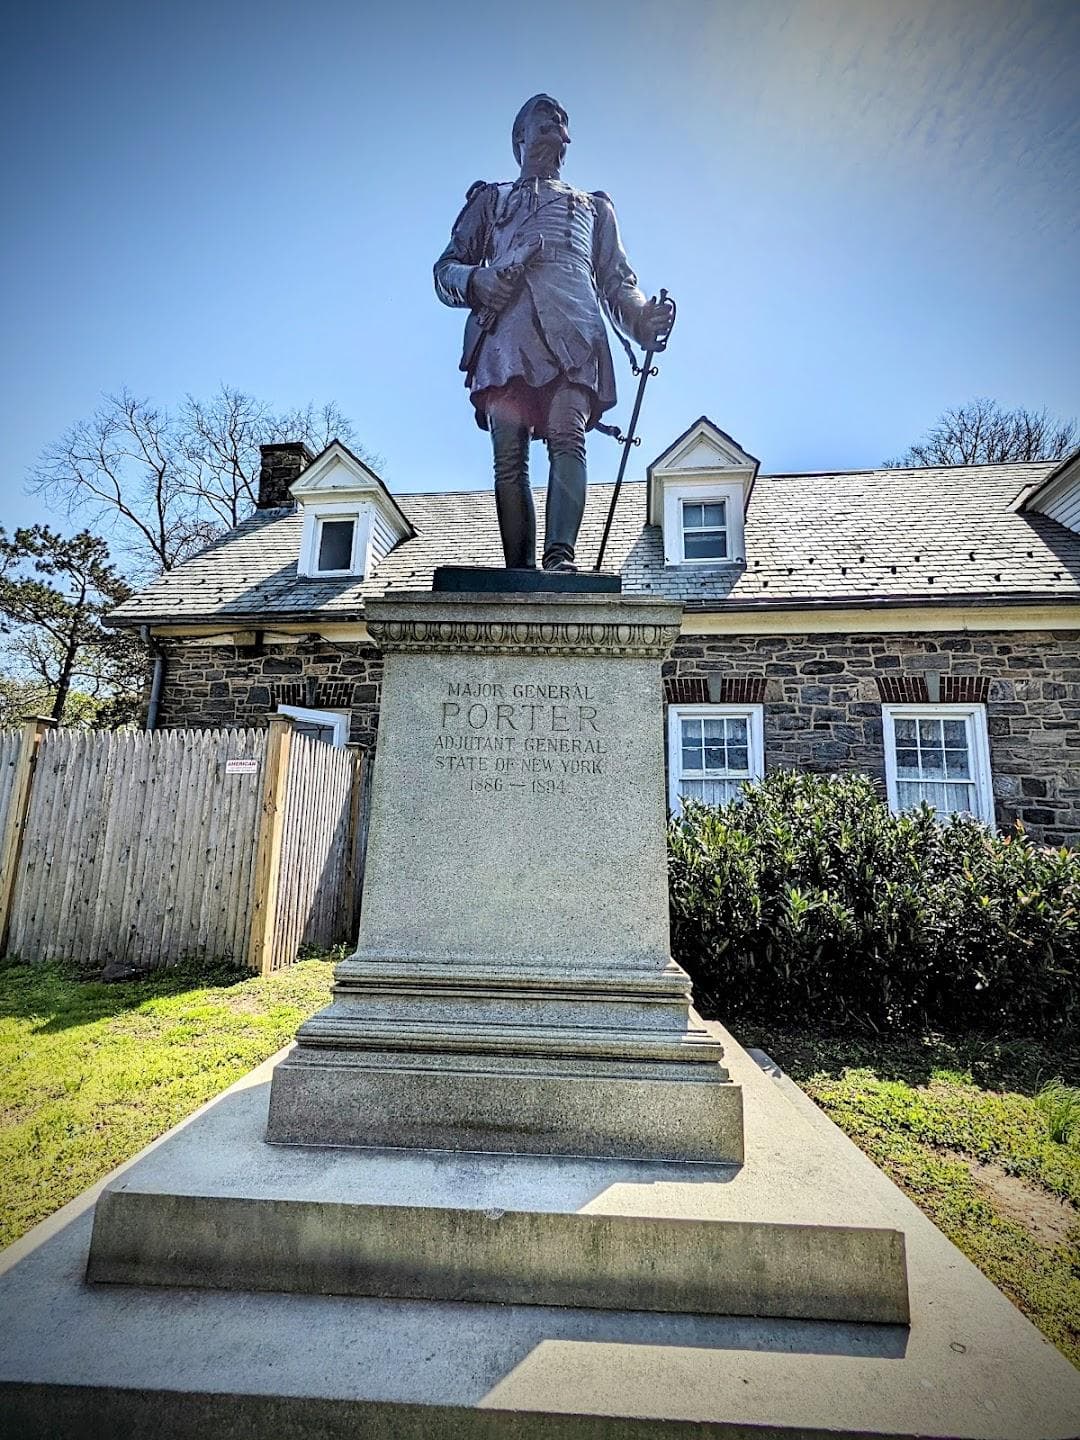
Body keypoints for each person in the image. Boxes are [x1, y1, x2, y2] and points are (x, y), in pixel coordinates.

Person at [434, 94, 674, 572]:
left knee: (569, 434)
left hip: (576, 331)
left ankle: (560, 560)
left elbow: (616, 282)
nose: (554, 123)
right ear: (519, 137)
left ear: (568, 141)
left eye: (561, 120)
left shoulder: (593, 207)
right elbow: (445, 271)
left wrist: (643, 318)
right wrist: (479, 280)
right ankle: (518, 572)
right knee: (509, 452)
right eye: (542, 117)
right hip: (505, 335)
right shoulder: (490, 199)